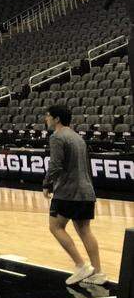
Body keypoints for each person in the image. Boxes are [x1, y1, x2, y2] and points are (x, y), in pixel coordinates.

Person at [43, 104, 106, 285]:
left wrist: (47, 183)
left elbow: (55, 165)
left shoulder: (57, 137)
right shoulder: (78, 138)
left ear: (57, 119)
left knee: (55, 226)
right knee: (85, 230)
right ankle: (98, 273)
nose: (46, 119)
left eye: (48, 116)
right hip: (86, 191)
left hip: (68, 192)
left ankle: (81, 265)